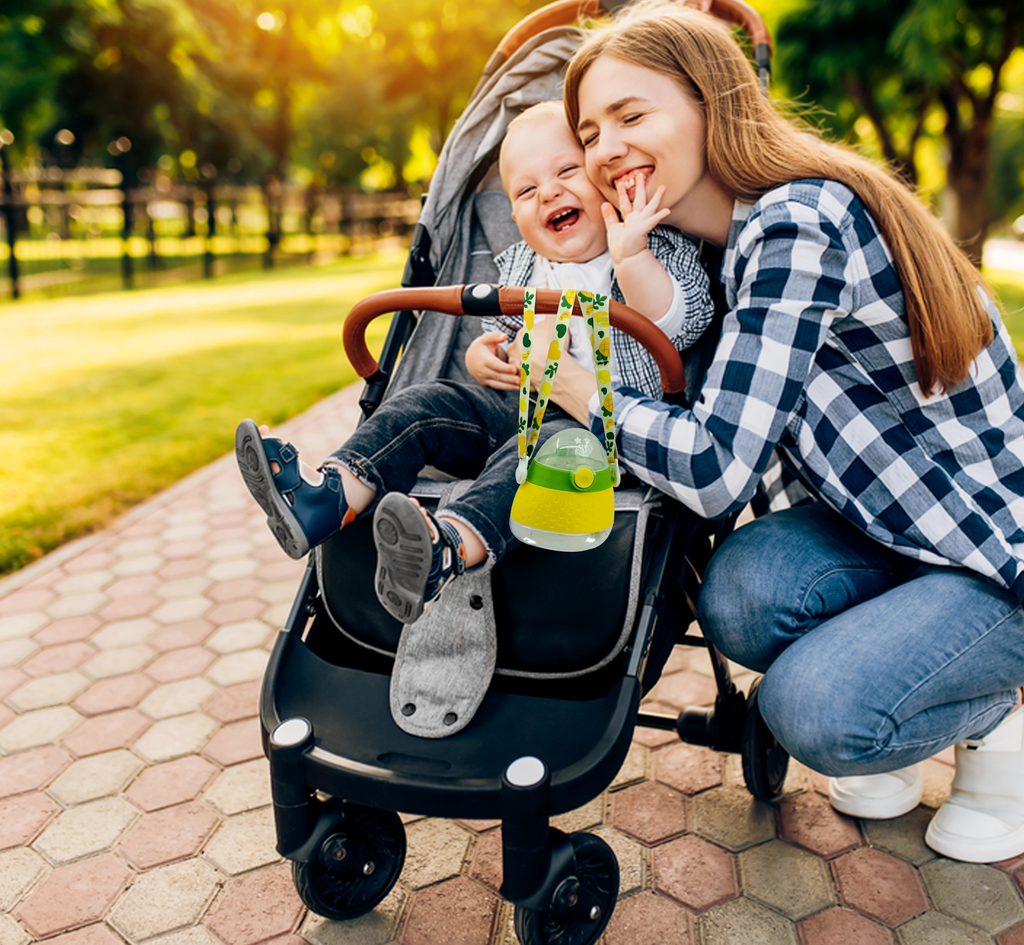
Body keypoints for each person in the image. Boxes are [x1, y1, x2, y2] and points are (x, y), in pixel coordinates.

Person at [546, 1, 1024, 864]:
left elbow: (720, 468)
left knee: (814, 711)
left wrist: (581, 392)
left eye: (631, 115)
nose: (604, 148)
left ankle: (1003, 724)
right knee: (738, 592)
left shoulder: (795, 220)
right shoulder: (707, 252)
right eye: (588, 130)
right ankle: (904, 702)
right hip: (891, 526)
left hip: (993, 547)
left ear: (713, 102)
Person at [235, 100, 714, 627]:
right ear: (515, 218)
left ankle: (449, 546)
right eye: (527, 191)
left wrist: (631, 255)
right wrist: (480, 356)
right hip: (514, 412)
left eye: (567, 171)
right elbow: (500, 339)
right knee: (424, 402)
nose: (548, 193)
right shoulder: (522, 268)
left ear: (608, 177)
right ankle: (327, 497)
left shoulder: (652, 246)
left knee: (541, 448)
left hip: (604, 436)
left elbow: (679, 323)